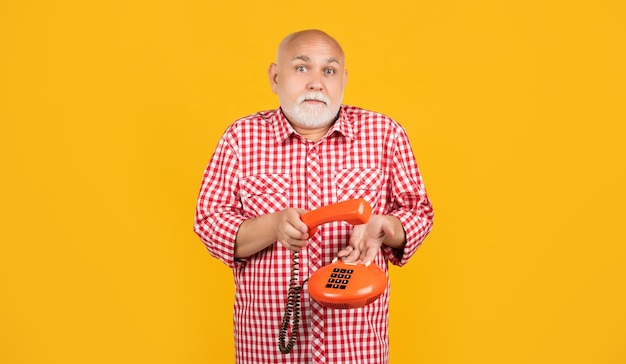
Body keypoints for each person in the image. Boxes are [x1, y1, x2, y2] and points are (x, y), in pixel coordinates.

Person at [194, 29, 434, 364]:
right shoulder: (240, 138)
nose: (316, 83)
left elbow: (418, 211)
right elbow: (209, 222)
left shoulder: (385, 134)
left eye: (330, 71)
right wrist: (274, 226)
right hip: (266, 348)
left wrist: (384, 225)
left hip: (356, 346)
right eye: (302, 68)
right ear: (276, 77)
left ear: (343, 80)